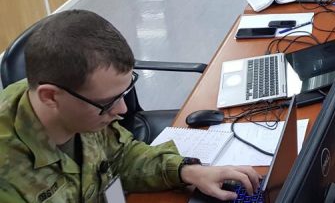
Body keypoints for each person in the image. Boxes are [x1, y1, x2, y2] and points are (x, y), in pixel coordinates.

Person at [0, 10, 260, 202]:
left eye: (125, 92)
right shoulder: (7, 174)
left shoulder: (83, 112)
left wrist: (188, 171)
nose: (122, 110)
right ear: (50, 97)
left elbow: (122, 155)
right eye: (107, 102)